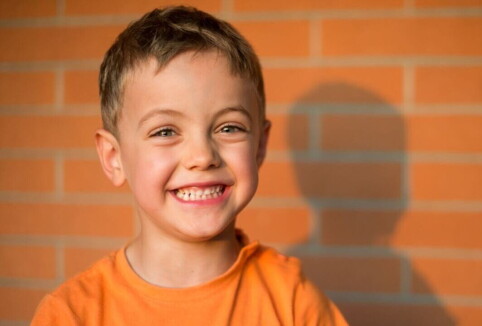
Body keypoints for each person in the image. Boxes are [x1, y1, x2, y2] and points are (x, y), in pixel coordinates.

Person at [30, 6, 347, 325]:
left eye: (229, 127)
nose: (202, 156)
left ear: (259, 146)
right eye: (165, 131)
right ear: (114, 157)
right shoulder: (71, 314)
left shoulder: (294, 301)